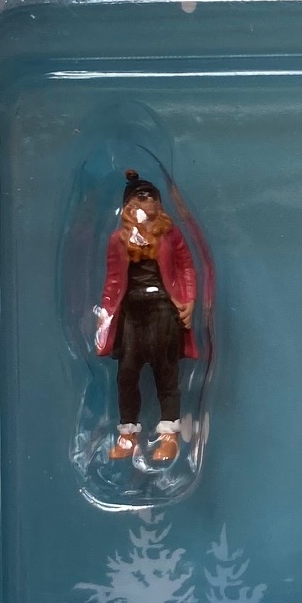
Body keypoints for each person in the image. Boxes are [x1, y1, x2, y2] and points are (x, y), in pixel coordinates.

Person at [95, 169, 197, 463]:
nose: (148, 202)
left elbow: (187, 267)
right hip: (131, 313)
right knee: (127, 374)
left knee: (166, 372)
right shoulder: (118, 239)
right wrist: (105, 317)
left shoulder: (170, 234)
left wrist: (189, 301)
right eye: (141, 197)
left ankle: (169, 437)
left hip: (164, 310)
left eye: (152, 196)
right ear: (129, 205)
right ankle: (128, 436)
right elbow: (113, 281)